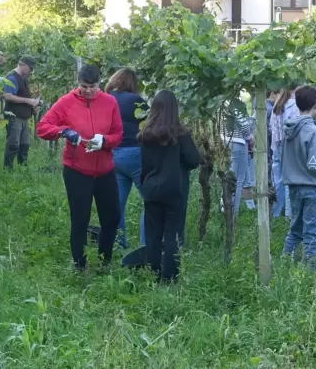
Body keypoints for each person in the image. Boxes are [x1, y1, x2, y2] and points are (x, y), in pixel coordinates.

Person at [37, 64, 123, 270]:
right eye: (84, 86)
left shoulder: (110, 102)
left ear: (99, 83)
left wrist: (104, 141)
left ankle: (105, 261)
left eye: (92, 86)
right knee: (80, 219)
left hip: (104, 170)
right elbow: (43, 127)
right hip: (77, 171)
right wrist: (64, 131)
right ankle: (79, 265)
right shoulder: (66, 102)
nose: (88, 91)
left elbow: (119, 135)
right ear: (78, 83)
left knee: (111, 218)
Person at [138, 90, 200, 282]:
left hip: (152, 188)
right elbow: (194, 160)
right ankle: (171, 277)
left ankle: (154, 272)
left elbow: (145, 164)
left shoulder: (145, 134)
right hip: (175, 189)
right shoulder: (180, 134)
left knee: (153, 233)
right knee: (172, 234)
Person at [281, 86, 316, 269]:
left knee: (295, 230)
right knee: (311, 233)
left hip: (293, 187)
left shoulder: (288, 128)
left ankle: (285, 264)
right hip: (311, 188)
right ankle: (308, 272)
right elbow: (314, 165)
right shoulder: (314, 131)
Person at [106, 68, 147, 249]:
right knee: (150, 201)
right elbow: (149, 124)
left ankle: (120, 244)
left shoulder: (105, 99)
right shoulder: (136, 100)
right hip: (135, 153)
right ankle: (147, 245)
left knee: (117, 204)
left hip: (113, 154)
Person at [3, 56, 40, 169]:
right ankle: (8, 170)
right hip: (14, 116)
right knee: (13, 144)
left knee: (25, 144)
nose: (31, 71)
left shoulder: (23, 77)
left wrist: (33, 105)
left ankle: (23, 168)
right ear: (23, 64)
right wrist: (28, 101)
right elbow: (7, 96)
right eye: (30, 68)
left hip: (23, 116)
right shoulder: (12, 77)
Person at [271, 86, 299, 219]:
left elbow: (272, 128)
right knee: (289, 180)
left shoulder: (277, 104)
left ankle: (277, 212)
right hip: (288, 146)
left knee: (278, 180)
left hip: (276, 145)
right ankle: (289, 214)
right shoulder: (294, 104)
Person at [222, 109, 256, 218]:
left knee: (228, 177)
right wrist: (251, 140)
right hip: (238, 143)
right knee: (238, 180)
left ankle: (224, 207)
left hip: (225, 141)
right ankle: (233, 214)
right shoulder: (234, 104)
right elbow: (244, 124)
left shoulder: (222, 102)